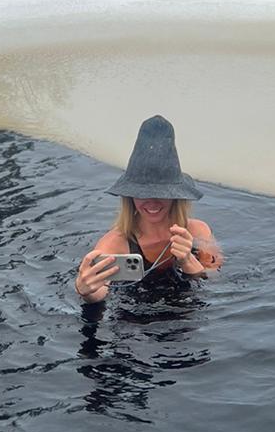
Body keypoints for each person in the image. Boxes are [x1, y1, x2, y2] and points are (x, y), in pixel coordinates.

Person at [75, 115, 223, 302]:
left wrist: (187, 260)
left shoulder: (198, 231)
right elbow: (100, 292)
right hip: (134, 318)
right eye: (142, 193)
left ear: (175, 196)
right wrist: (85, 290)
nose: (152, 203)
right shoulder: (115, 244)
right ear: (129, 197)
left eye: (161, 193)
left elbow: (216, 281)